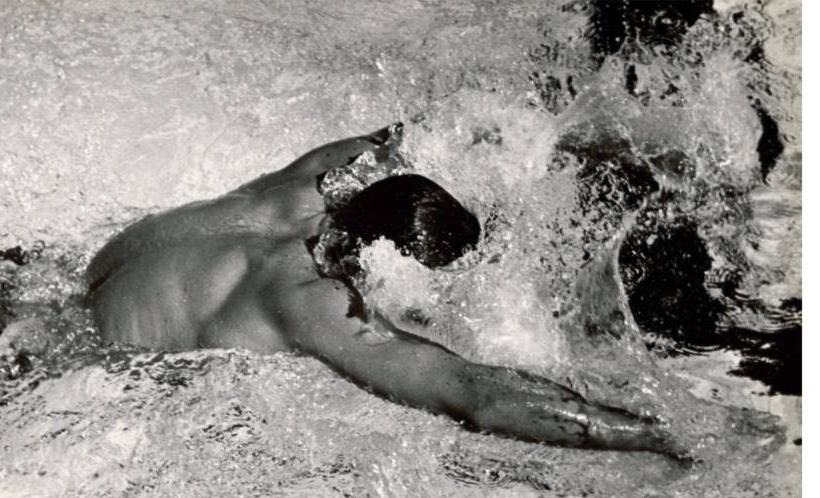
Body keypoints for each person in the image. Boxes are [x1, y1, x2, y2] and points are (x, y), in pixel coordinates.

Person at [86, 124, 684, 457]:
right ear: (368, 260)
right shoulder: (307, 299)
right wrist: (649, 431)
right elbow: (467, 393)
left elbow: (414, 130)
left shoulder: (317, 177)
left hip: (83, 276)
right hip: (85, 365)